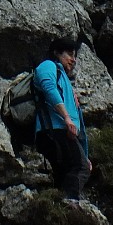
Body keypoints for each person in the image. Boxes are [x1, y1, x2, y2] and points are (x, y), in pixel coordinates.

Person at [34, 38, 92, 201]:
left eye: (75, 56)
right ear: (56, 53)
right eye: (69, 54)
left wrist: (85, 155)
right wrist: (66, 117)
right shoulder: (48, 66)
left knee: (66, 173)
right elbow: (49, 88)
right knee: (80, 167)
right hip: (54, 130)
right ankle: (70, 203)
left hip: (61, 131)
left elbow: (79, 120)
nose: (73, 60)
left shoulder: (65, 80)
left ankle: (58, 209)